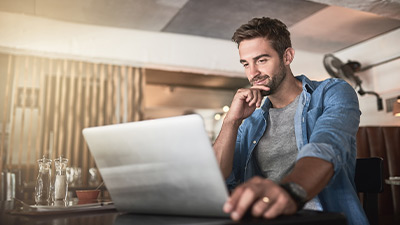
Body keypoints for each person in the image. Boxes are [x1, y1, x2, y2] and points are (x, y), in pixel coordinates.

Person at [213, 17, 369, 225]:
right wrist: (231, 121)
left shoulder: (332, 92)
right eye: (245, 64)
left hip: (324, 218)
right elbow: (216, 176)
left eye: (261, 60)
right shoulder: (250, 121)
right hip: (266, 219)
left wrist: (288, 193)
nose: (253, 73)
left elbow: (326, 146)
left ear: (287, 56)